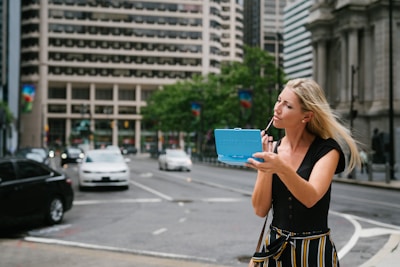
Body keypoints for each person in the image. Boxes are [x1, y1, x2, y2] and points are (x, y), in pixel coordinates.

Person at [246, 78, 361, 267]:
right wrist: (266, 165)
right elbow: (260, 210)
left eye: (288, 106)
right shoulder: (271, 150)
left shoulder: (327, 150)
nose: (277, 108)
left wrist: (280, 167)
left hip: (314, 252)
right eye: (278, 100)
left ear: (306, 116)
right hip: (275, 249)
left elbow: (310, 197)